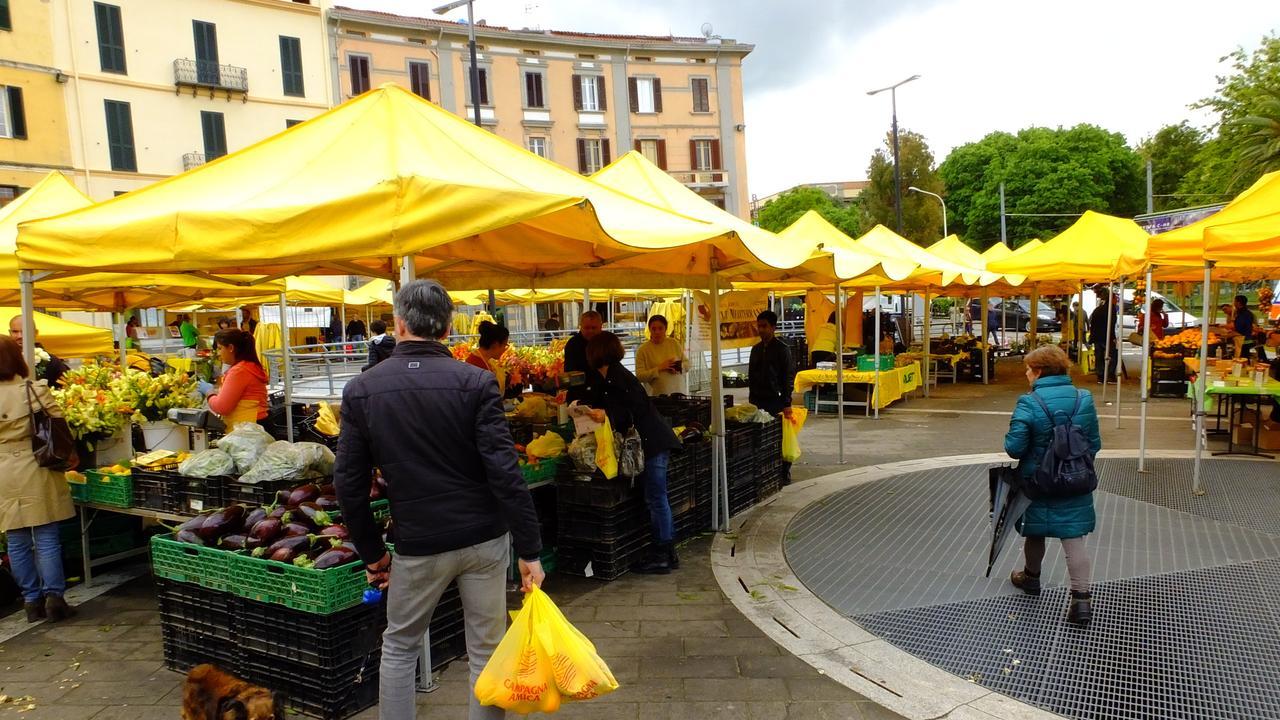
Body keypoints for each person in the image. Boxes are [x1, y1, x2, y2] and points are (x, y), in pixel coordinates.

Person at [334, 280, 543, 720]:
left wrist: (373, 555)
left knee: (400, 648)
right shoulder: (476, 382)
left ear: (399, 323)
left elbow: (349, 485)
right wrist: (530, 550)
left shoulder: (363, 390)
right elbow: (505, 474)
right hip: (484, 539)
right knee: (486, 650)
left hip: (418, 542)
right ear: (448, 327)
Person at [1004, 345, 1101, 626]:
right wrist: (1072, 467)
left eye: (1028, 369)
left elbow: (1014, 448)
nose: (1025, 373)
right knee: (1074, 536)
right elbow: (1094, 443)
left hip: (1038, 482)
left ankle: (1031, 578)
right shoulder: (1084, 398)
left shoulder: (1029, 402)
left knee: (1035, 531)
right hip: (1076, 480)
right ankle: (1081, 601)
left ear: (1039, 372)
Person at [587, 332, 682, 573]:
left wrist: (604, 415)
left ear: (598, 352)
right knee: (656, 497)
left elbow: (630, 413)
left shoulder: (618, 377)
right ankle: (668, 552)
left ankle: (663, 554)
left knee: (656, 498)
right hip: (650, 441)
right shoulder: (609, 376)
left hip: (652, 442)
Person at [0, 336, 76, 623]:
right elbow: (59, 425)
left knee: (16, 539)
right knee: (45, 536)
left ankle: (31, 602)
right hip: (37, 465)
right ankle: (54, 598)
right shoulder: (33, 390)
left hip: (2, 471)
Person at [749, 311, 795, 481]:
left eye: (764, 326)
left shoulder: (782, 350)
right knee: (761, 438)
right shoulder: (755, 349)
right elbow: (752, 376)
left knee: (778, 437)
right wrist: (751, 401)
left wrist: (787, 402)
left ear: (773, 327)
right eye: (759, 326)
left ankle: (783, 471)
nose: (761, 330)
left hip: (776, 401)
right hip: (758, 400)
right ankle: (765, 471)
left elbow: (787, 377)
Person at [198, 329, 268, 432]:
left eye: (220, 348)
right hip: (257, 424)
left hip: (248, 429)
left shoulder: (239, 371)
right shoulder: (251, 366)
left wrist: (209, 392)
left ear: (230, 348)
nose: (218, 353)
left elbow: (222, 407)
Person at [7, 316, 70, 389]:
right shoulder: (3, 360)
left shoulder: (51, 362)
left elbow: (66, 388)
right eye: (15, 332)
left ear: (35, 333)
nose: (19, 336)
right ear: (9, 333)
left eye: (25, 331)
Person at [635, 315, 687, 396]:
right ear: (649, 329)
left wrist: (679, 367)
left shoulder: (674, 343)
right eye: (654, 329)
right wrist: (659, 368)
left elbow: (688, 364)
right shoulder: (643, 350)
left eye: (660, 328)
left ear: (665, 329)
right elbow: (639, 376)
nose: (657, 332)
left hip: (679, 391)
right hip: (657, 396)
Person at [563, 310, 603, 403]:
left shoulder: (606, 342)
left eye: (594, 328)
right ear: (580, 327)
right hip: (579, 394)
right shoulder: (573, 344)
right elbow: (570, 372)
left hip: (603, 392)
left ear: (601, 327)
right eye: (587, 328)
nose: (590, 331)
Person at [1089, 294, 1118, 384]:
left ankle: (1100, 377)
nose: (1116, 300)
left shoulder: (1098, 309)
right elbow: (1111, 324)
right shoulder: (1111, 309)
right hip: (1106, 336)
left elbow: (1092, 322)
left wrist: (1092, 336)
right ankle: (1110, 376)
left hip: (1097, 336)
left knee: (1099, 356)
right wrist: (1113, 337)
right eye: (1116, 299)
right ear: (1112, 299)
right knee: (1113, 355)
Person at [1234, 294, 1266, 361]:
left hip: (1244, 339)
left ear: (1238, 303)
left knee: (1243, 358)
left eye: (1234, 301)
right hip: (1245, 338)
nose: (1234, 304)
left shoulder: (1244, 314)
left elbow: (1240, 327)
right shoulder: (1244, 312)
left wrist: (1232, 332)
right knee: (1244, 358)